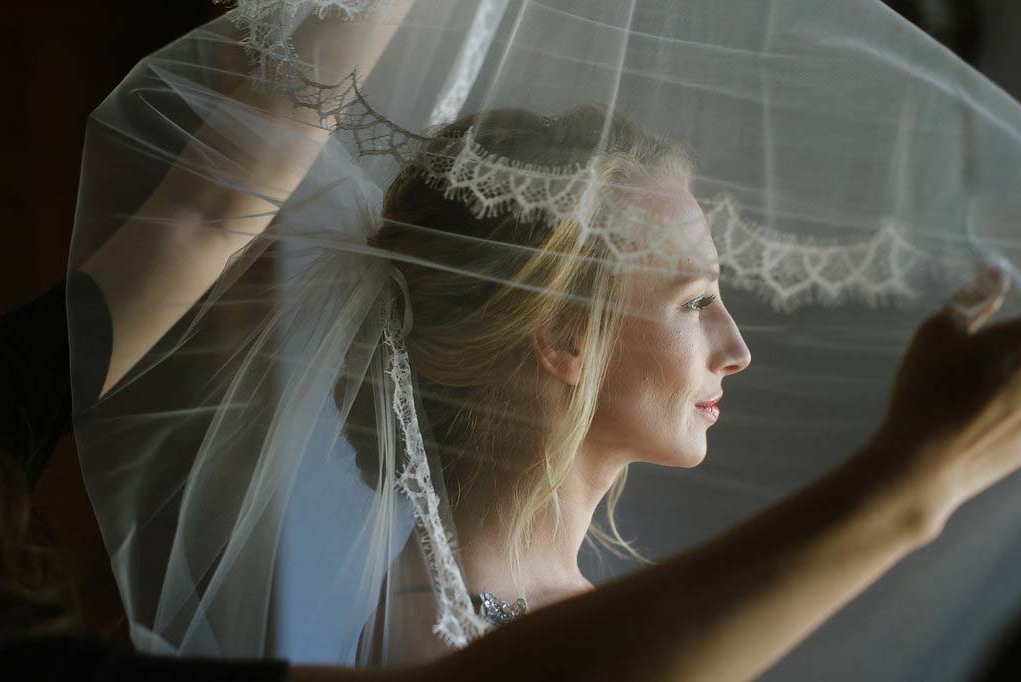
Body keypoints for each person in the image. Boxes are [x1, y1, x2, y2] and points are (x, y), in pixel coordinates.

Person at [66, 0, 1021, 678]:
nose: (737, 348)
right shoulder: (449, 647)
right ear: (562, 338)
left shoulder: (542, 610)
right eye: (694, 302)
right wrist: (915, 478)